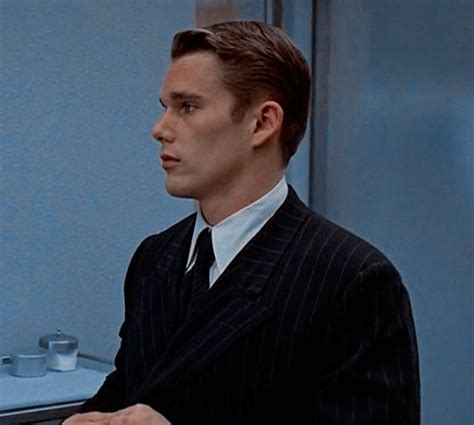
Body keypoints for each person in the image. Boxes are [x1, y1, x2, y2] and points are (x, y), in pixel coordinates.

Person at [64, 20, 420, 425]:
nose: (159, 129)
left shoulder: (352, 281)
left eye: (188, 106)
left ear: (262, 123)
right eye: (165, 108)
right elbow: (132, 387)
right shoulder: (153, 258)